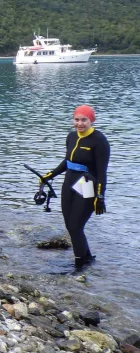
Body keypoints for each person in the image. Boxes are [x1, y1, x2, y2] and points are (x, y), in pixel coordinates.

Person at [40, 105, 109, 270]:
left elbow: (102, 172)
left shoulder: (99, 141)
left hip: (87, 184)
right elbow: (67, 162)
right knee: (70, 225)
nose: (80, 123)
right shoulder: (71, 137)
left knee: (76, 226)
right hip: (69, 182)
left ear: (92, 120)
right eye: (77, 119)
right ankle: (87, 259)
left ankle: (79, 264)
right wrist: (49, 175)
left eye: (84, 120)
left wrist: (100, 197)